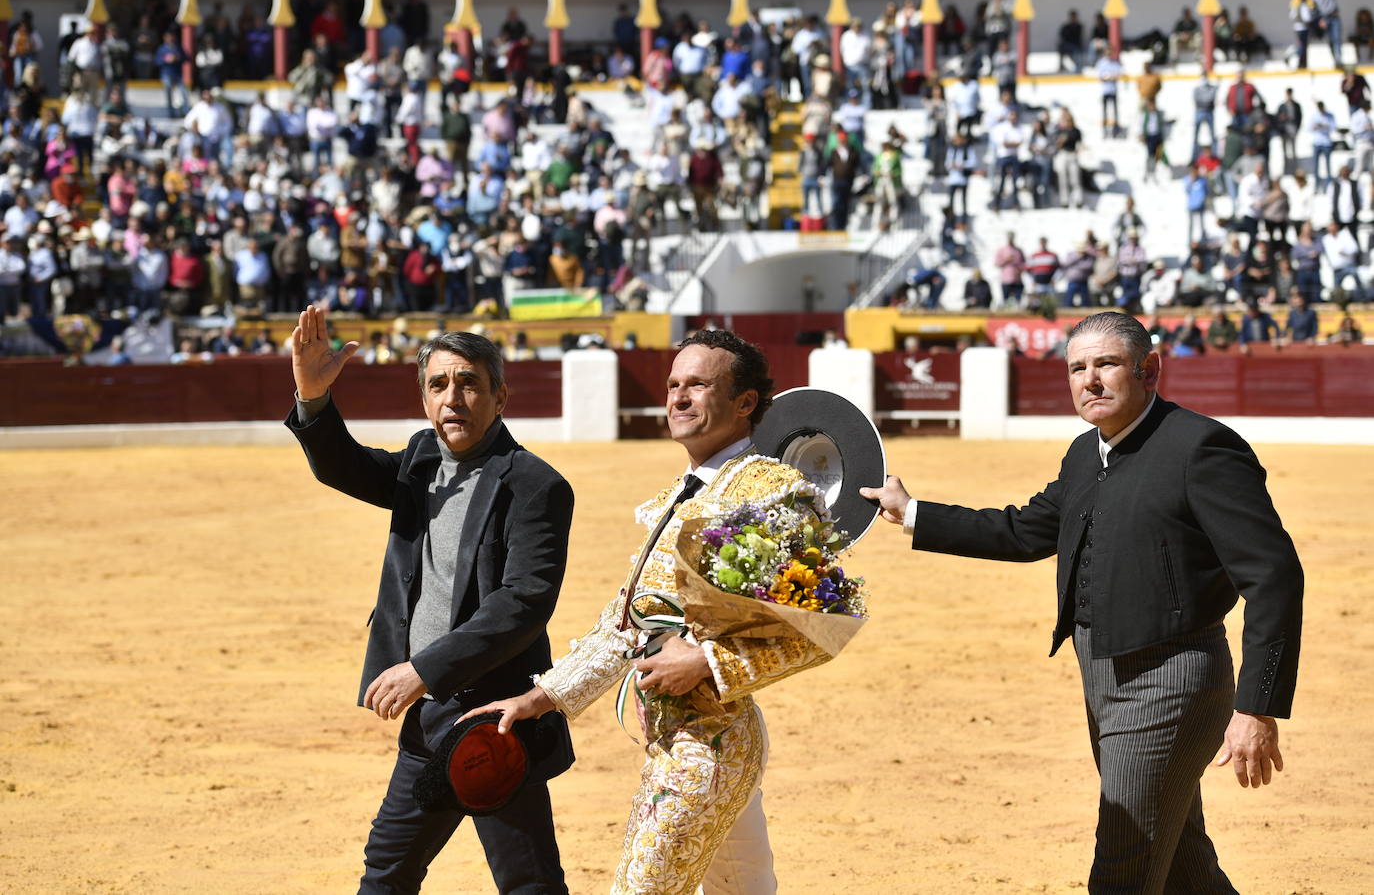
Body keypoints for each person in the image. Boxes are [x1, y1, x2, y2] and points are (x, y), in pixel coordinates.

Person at [861, 311, 1303, 895]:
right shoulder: (1083, 453)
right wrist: (914, 512)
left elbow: (1273, 576)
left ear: (1149, 370)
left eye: (1106, 364)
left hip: (1173, 676)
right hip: (1100, 671)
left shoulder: (1202, 447)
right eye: (1077, 368)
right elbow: (1022, 532)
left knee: (1126, 861)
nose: (1089, 380)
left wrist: (1257, 707)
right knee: (1178, 860)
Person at [464, 329, 835, 893]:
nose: (678, 398)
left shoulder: (775, 490)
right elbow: (625, 626)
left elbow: (816, 627)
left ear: (745, 402)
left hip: (706, 750)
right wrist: (539, 698)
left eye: (698, 385)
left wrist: (708, 661)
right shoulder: (677, 496)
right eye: (673, 386)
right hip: (679, 739)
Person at [286, 311, 575, 894]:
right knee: (387, 870)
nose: (453, 398)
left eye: (468, 382)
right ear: (423, 399)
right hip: (427, 718)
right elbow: (344, 466)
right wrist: (313, 398)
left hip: (497, 718)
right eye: (438, 385)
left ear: (500, 395)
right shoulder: (421, 461)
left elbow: (523, 604)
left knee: (527, 881)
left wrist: (423, 668)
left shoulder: (536, 485)